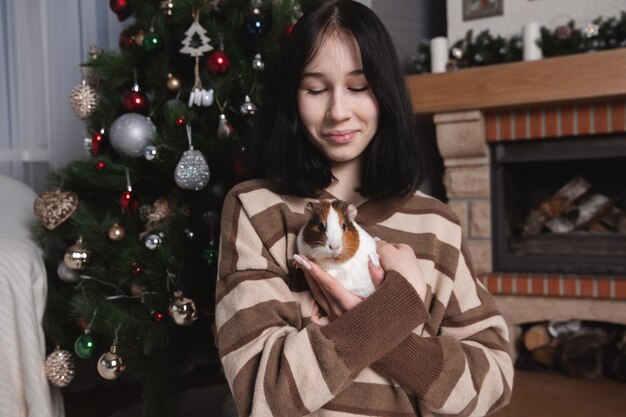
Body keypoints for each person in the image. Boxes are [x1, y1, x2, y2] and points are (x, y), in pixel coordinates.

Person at [215, 1, 513, 416]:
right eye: (315, 90)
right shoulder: (256, 209)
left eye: (359, 87)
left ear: (386, 92)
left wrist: (384, 331)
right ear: (292, 98)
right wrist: (394, 309)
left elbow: (494, 380)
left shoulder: (437, 224)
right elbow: (262, 394)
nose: (338, 111)